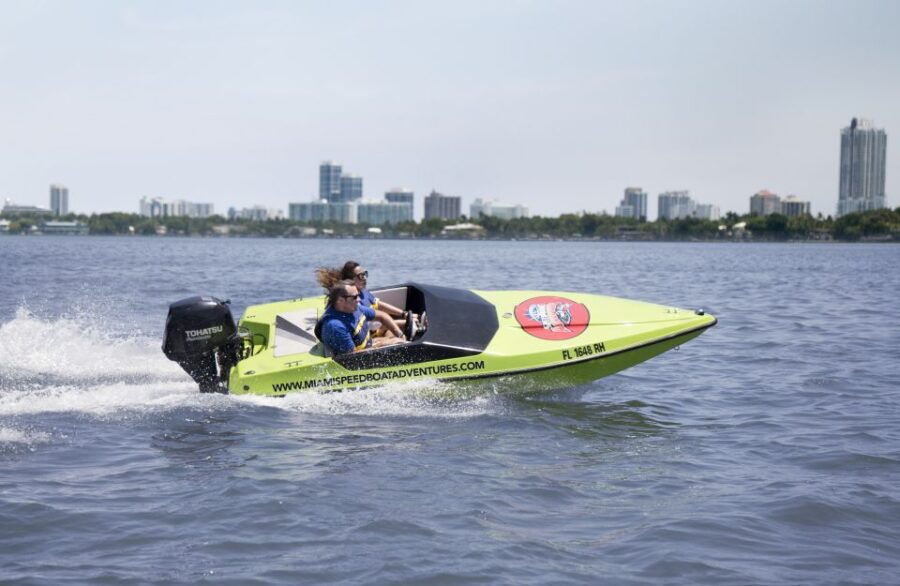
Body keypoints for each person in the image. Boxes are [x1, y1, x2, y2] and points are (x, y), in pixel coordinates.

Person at [315, 261, 409, 336]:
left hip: (377, 326)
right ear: (350, 280)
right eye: (361, 276)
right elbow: (371, 328)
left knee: (408, 321)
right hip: (371, 333)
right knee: (404, 327)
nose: (365, 278)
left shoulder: (363, 292)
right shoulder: (352, 304)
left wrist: (404, 314)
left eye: (365, 274)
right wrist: (406, 322)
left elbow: (379, 305)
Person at [316, 281, 404, 355]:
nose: (358, 300)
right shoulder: (335, 326)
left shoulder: (354, 308)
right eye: (354, 297)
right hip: (357, 356)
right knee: (399, 343)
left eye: (358, 295)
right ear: (340, 300)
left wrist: (399, 335)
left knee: (399, 335)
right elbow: (353, 357)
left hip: (369, 344)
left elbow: (382, 316)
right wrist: (382, 344)